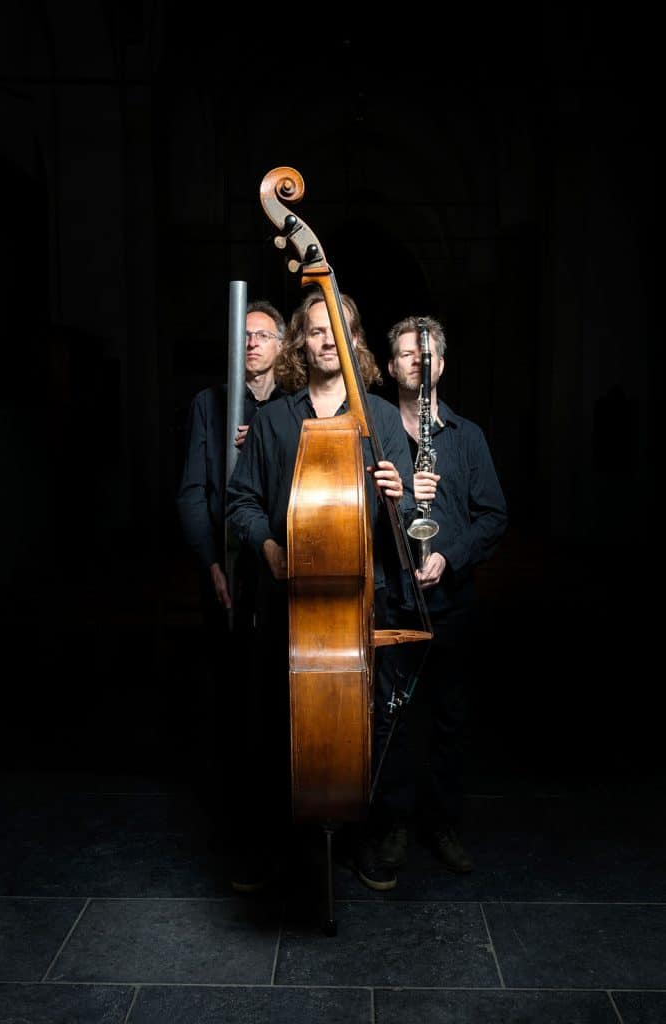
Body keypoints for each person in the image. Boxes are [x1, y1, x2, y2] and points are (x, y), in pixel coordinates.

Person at [226, 287, 420, 893]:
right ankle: (280, 846)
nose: (326, 339)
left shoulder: (380, 418)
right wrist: (269, 547)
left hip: (362, 596)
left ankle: (363, 838)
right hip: (288, 600)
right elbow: (242, 500)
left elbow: (411, 517)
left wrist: (399, 496)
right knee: (278, 726)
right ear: (301, 344)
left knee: (367, 727)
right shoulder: (276, 419)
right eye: (314, 330)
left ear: (353, 340)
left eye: (336, 328)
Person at [381, 313, 508, 874]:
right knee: (392, 719)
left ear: (443, 366)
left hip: (452, 603)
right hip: (391, 600)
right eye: (408, 353)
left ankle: (444, 823)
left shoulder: (468, 437)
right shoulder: (374, 436)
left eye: (427, 354)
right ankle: (391, 827)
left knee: (450, 717)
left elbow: (493, 516)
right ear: (391, 366)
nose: (418, 361)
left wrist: (448, 554)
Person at [175, 299, 285, 886]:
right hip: (227, 576)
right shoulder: (208, 404)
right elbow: (193, 494)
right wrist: (212, 563)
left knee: (278, 700)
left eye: (262, 335)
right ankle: (239, 833)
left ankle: (287, 824)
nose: (251, 344)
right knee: (231, 699)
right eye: (242, 336)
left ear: (279, 345)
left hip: (280, 573)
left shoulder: (293, 408)